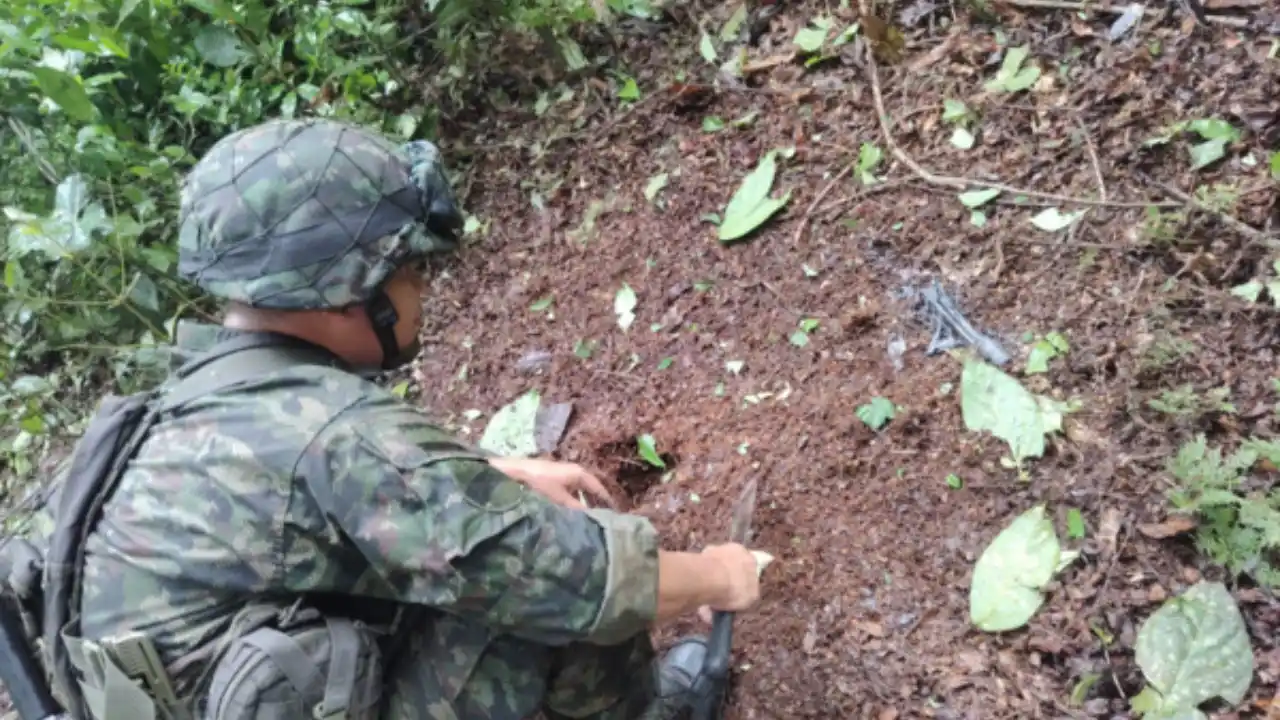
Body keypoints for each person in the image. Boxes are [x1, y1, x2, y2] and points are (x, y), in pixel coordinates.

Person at [24, 117, 764, 720]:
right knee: (557, 573)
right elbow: (575, 577)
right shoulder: (337, 432)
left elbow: (281, 514)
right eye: (408, 270)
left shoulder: (181, 405)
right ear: (351, 291)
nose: (418, 291)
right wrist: (720, 577)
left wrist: (488, 476)